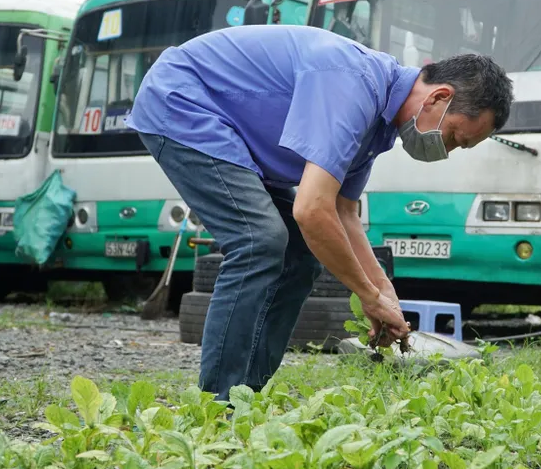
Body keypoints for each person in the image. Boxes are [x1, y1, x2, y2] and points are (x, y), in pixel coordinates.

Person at [124, 24, 514, 401]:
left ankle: (246, 394)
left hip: (229, 130)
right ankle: (218, 402)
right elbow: (311, 209)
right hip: (182, 101)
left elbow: (342, 212)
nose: (447, 150)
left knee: (301, 255)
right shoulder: (353, 83)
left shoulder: (379, 125)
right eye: (455, 137)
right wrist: (366, 295)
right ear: (438, 98)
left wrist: (382, 293)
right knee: (259, 240)